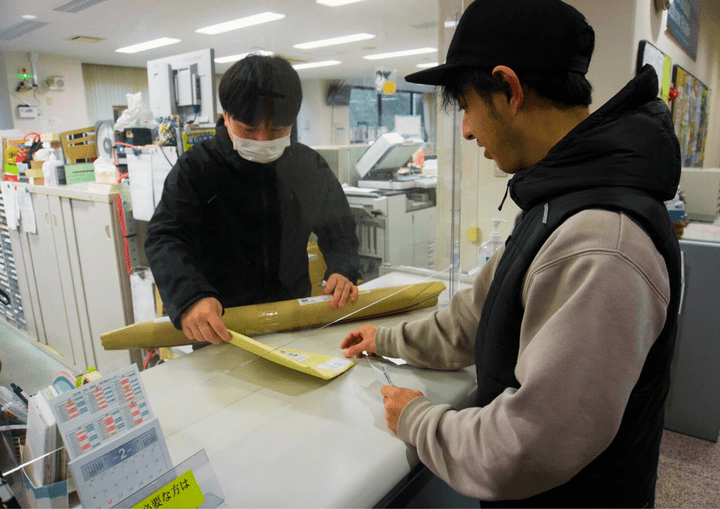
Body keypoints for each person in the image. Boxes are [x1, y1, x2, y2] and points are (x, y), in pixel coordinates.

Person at [340, 0, 682, 506]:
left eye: (466, 106)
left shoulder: (602, 242)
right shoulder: (557, 200)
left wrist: (416, 418)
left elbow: (528, 446)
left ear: (511, 89)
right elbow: (478, 315)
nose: (466, 130)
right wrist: (386, 338)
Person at [145, 55, 361, 345]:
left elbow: (340, 227)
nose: (261, 141)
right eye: (248, 130)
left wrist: (342, 269)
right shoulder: (196, 168)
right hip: (219, 321)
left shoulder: (307, 167)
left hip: (291, 315)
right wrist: (189, 296)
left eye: (275, 131)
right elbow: (165, 237)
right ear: (226, 115)